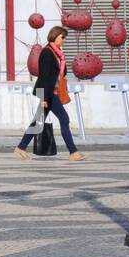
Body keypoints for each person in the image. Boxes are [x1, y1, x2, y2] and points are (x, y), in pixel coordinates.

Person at [14, 25, 84, 161]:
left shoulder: (57, 53)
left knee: (38, 123)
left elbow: (60, 73)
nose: (64, 40)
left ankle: (21, 147)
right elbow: (44, 77)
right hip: (48, 94)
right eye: (62, 37)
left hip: (52, 92)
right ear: (55, 36)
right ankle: (73, 152)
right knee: (64, 119)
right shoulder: (47, 52)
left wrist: (62, 62)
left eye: (65, 38)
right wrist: (43, 98)